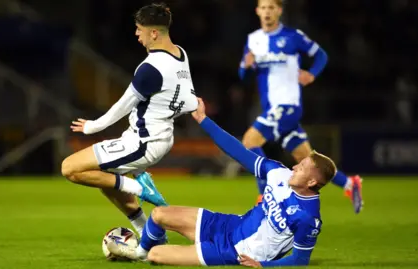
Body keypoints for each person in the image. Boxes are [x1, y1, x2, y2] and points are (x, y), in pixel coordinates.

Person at [107, 98, 335, 267]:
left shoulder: (308, 218)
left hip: (235, 250)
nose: (295, 167)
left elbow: (299, 261)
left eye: (302, 167)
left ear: (313, 181)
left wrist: (261, 265)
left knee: (157, 255)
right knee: (158, 215)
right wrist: (203, 120)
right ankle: (138, 253)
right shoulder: (279, 173)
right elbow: (238, 151)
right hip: (228, 225)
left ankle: (146, 251)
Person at [61, 3, 198, 236]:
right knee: (107, 180)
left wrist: (92, 126)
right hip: (158, 137)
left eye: (139, 29)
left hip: (144, 142)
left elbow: (122, 106)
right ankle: (148, 234)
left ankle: (139, 187)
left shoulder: (151, 67)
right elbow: (189, 100)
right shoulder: (180, 53)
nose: (137, 34)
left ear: (153, 33)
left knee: (70, 168)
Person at [238, 0, 362, 213]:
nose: (267, 12)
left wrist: (311, 74)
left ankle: (265, 194)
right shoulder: (253, 40)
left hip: (287, 105)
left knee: (250, 141)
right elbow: (244, 77)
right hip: (271, 108)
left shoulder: (293, 37)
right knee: (306, 159)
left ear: (279, 11)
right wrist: (247, 66)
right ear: (257, 11)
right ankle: (350, 184)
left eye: (271, 8)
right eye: (264, 8)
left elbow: (321, 55)